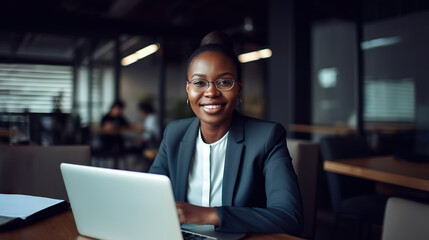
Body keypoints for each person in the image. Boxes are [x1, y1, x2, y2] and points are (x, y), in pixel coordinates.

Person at [149, 31, 302, 235]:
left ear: (238, 89)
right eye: (199, 83)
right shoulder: (174, 133)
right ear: (188, 89)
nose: (211, 92)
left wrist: (205, 215)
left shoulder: (267, 137)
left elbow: (289, 217)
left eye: (224, 82)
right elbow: (150, 199)